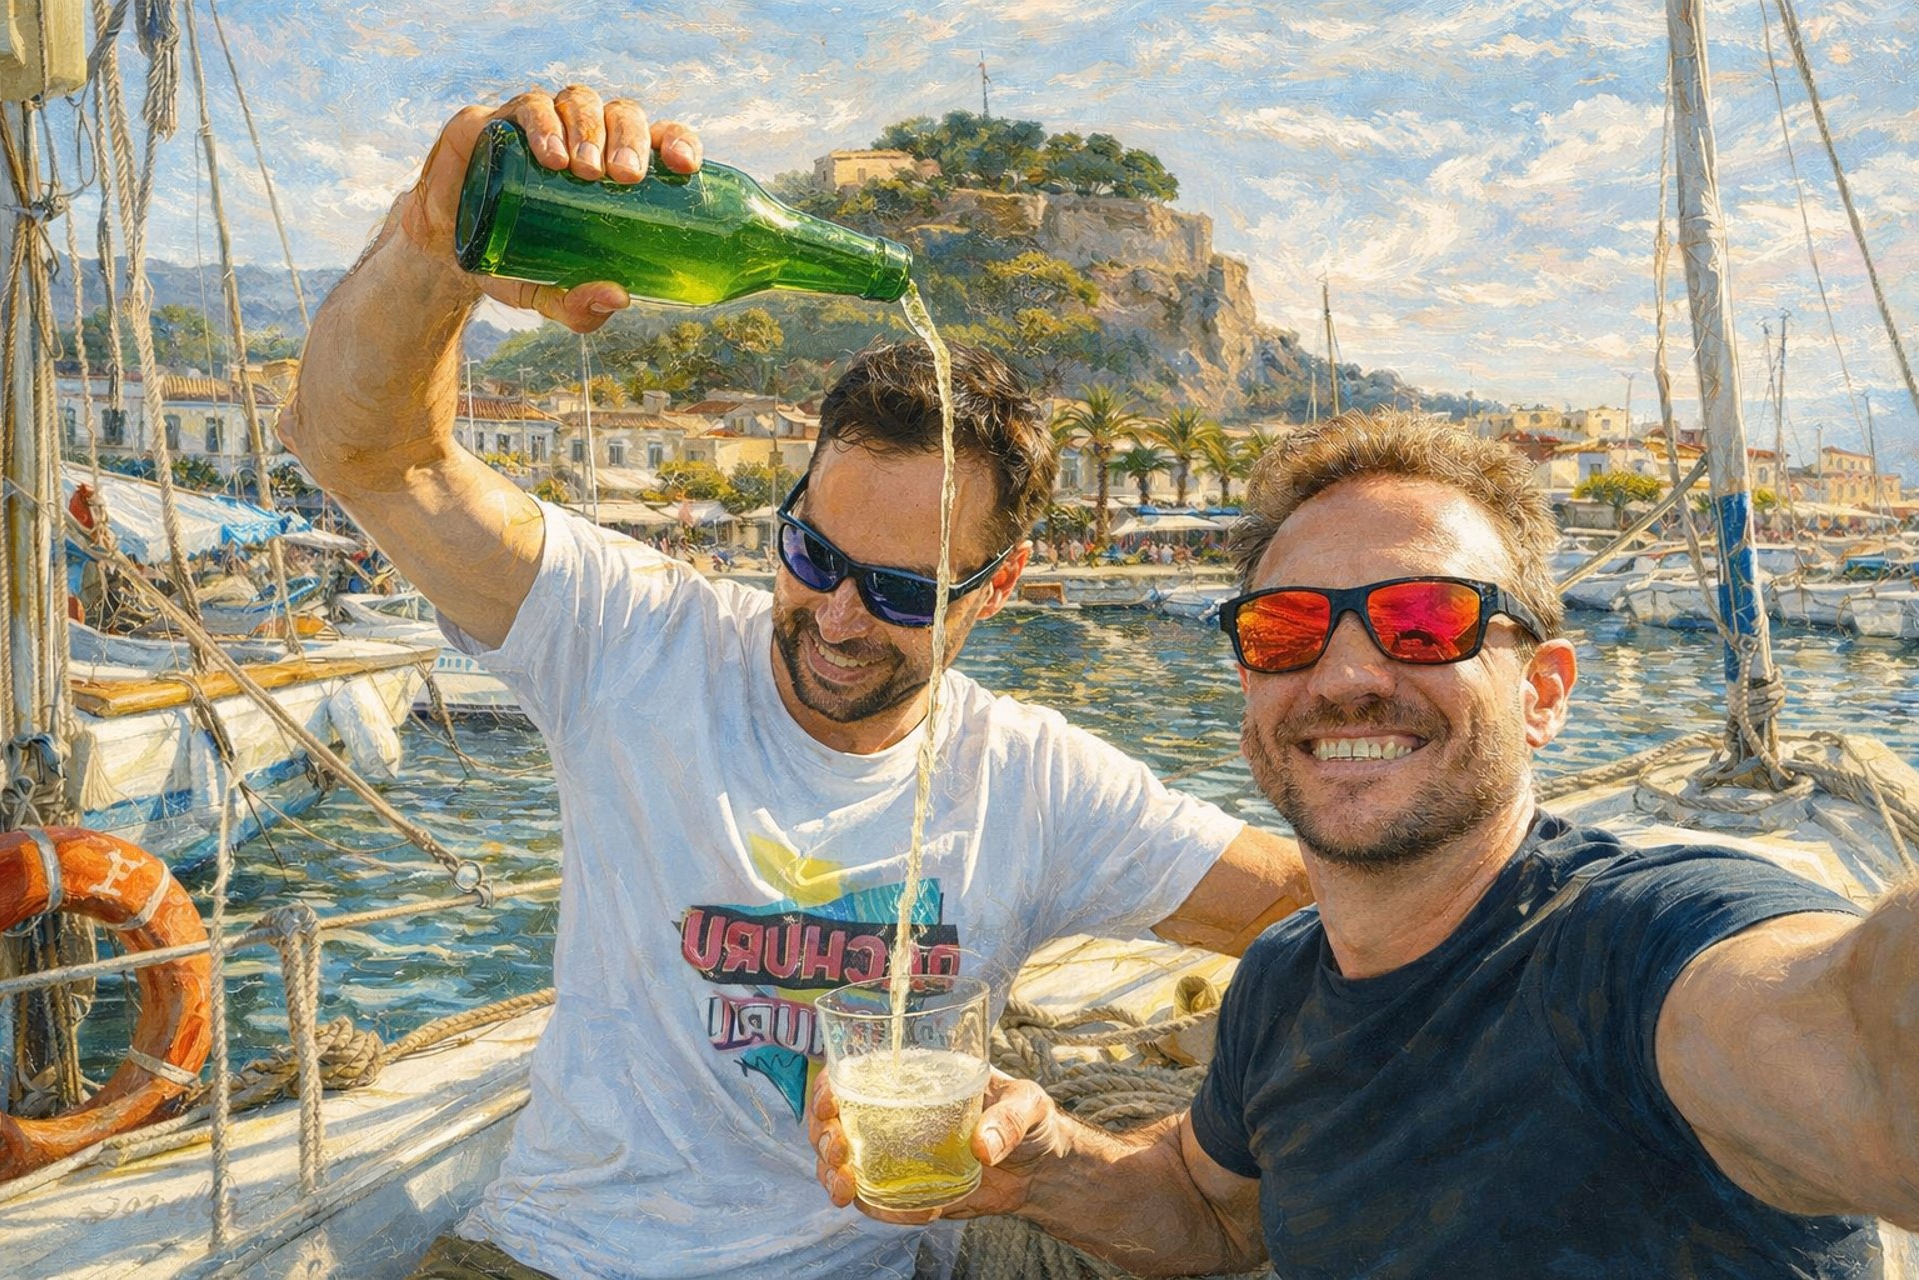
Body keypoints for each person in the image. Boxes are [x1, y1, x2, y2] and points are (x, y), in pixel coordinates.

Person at [282, 86, 1311, 1280]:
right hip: (553, 1257)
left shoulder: (1030, 777)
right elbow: (364, 446)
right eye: (812, 553)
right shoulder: (635, 636)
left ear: (999, 584)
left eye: (901, 589)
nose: (834, 613)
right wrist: (441, 234)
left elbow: (1312, 912)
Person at [813, 411, 1919, 1277]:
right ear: (1250, 683)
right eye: (1289, 628)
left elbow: (1857, 1049)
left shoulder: (1635, 947)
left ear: (1543, 691)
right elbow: (1207, 1209)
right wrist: (1042, 1161)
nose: (1344, 676)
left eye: (1425, 620)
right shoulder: (1287, 978)